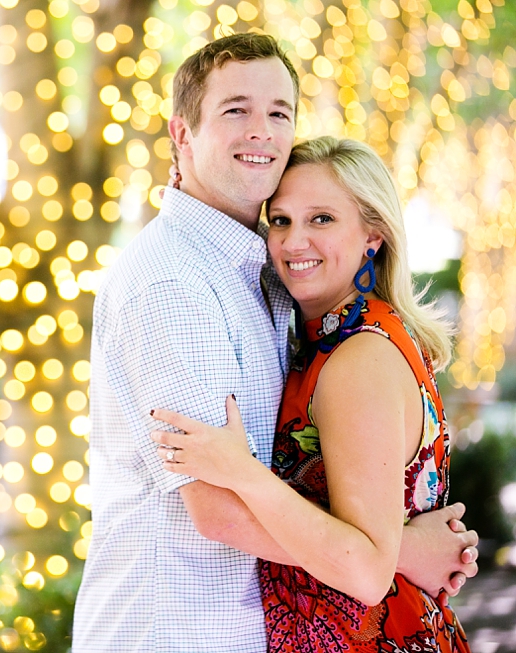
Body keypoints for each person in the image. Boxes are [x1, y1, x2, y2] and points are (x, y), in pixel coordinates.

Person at [72, 33, 477, 653]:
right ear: (181, 135)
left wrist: (382, 545)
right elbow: (215, 505)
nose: (261, 130)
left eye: (278, 113)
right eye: (236, 109)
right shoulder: (171, 284)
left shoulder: (268, 280)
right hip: (175, 630)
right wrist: (394, 552)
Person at [150, 136, 469, 650]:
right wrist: (410, 549)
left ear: (373, 236)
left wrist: (242, 473)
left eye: (321, 219)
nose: (295, 241)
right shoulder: (331, 338)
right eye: (281, 220)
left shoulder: (357, 359)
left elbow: (366, 571)